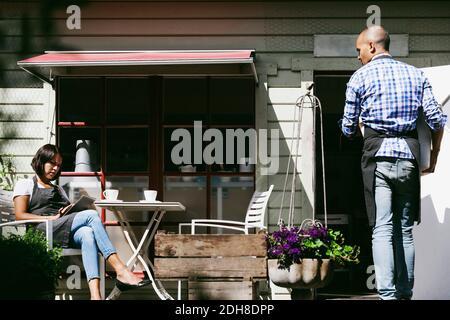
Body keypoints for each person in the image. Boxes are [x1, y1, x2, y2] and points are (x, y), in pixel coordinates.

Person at [339, 25, 447, 300]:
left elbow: (348, 128)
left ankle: (387, 296)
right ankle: (405, 294)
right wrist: (431, 159)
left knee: (382, 227)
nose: (358, 56)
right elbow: (437, 120)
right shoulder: (416, 75)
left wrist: (356, 124)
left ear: (372, 46)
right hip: (409, 158)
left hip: (378, 159)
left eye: (359, 50)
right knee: (405, 230)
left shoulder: (359, 78)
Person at [13, 144, 151, 300]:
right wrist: (50, 218)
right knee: (91, 215)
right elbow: (20, 215)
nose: (55, 168)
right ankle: (121, 270)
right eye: (52, 163)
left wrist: (71, 210)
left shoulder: (58, 189)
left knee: (87, 233)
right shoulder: (26, 184)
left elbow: (65, 215)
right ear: (40, 161)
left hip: (61, 229)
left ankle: (95, 296)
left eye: (58, 165)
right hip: (42, 230)